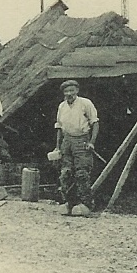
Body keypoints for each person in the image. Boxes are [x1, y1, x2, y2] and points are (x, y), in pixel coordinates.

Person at [54, 80, 99, 216]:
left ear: (77, 91)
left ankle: (86, 204)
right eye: (66, 91)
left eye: (72, 90)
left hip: (81, 139)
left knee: (81, 173)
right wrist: (57, 146)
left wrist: (91, 142)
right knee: (66, 173)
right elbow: (59, 127)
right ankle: (69, 203)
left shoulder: (85, 103)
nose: (69, 93)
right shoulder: (62, 106)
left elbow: (95, 123)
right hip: (67, 140)